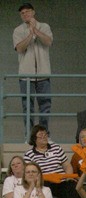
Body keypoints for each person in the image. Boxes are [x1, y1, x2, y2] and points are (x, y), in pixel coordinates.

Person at [13, 2, 53, 131]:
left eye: (27, 11)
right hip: (26, 76)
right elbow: (19, 48)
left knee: (45, 106)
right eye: (22, 13)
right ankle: (29, 136)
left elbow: (48, 41)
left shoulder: (44, 26)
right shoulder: (18, 30)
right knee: (27, 107)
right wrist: (30, 34)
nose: (25, 14)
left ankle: (44, 135)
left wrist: (35, 29)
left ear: (33, 12)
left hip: (43, 75)